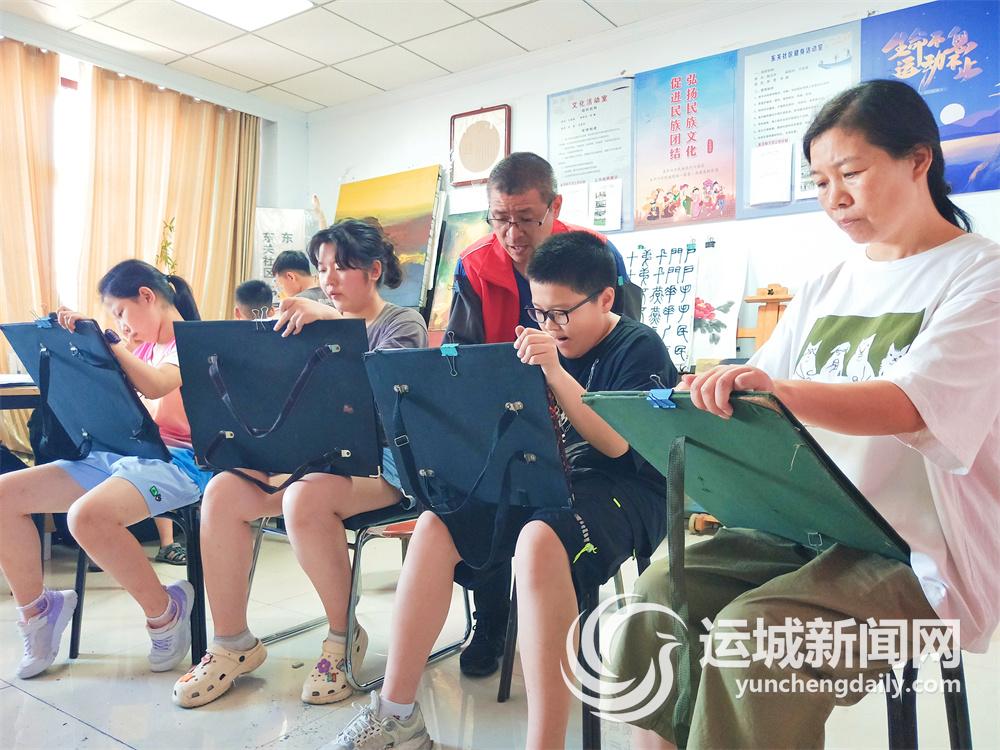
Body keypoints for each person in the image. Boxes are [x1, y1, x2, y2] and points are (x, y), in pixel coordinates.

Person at [611, 79, 1000, 749]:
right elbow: (762, 400)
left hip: (913, 555)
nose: (834, 198)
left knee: (754, 636)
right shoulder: (828, 285)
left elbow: (911, 403)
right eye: (820, 182)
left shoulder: (980, 275)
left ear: (918, 159)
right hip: (803, 527)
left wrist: (781, 391)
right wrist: (714, 398)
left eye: (852, 173)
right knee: (660, 591)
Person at [329, 231, 677, 750]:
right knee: (437, 523)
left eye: (562, 313)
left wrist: (553, 372)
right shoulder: (540, 342)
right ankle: (396, 715)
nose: (550, 325)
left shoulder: (637, 346)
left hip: (626, 488)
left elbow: (617, 445)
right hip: (547, 475)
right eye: (540, 312)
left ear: (606, 299)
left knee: (539, 540)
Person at [172, 219, 427, 709]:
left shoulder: (402, 322)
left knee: (303, 499)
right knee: (222, 492)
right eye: (323, 268)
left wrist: (328, 322)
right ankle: (232, 642)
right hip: (308, 456)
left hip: (382, 464)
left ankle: (343, 636)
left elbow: (383, 399)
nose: (329, 279)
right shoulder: (307, 320)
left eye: (342, 267)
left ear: (374, 270)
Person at [447, 151, 642, 678]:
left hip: (586, 419)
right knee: (479, 491)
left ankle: (559, 626)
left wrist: (564, 379)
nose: (512, 234)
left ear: (554, 207)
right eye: (500, 219)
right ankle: (490, 622)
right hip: (508, 413)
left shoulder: (593, 253)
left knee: (554, 520)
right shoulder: (474, 265)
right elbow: (460, 354)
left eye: (526, 219)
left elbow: (621, 343)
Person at [0, 260, 212, 678]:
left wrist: (109, 344)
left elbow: (156, 385)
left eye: (120, 312)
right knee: (5, 494)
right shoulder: (143, 346)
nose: (121, 324)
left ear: (146, 296)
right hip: (121, 453)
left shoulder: (192, 341)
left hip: (180, 463)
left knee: (86, 517)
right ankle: (39, 613)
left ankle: (166, 612)